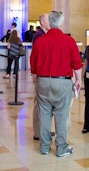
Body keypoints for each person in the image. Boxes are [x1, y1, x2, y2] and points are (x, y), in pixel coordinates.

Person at [30, 11, 82, 157]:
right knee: (61, 116)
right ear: (60, 23)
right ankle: (61, 148)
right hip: (62, 82)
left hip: (43, 81)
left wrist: (36, 81)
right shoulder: (68, 41)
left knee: (44, 115)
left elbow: (33, 64)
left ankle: (45, 146)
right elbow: (77, 64)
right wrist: (79, 80)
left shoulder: (40, 41)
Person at [31, 13, 49, 141]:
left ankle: (43, 129)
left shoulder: (45, 35)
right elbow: (36, 56)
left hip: (44, 74)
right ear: (42, 22)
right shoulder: (39, 36)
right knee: (38, 103)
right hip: (40, 74)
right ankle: (38, 132)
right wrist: (35, 74)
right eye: (49, 20)